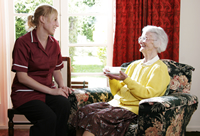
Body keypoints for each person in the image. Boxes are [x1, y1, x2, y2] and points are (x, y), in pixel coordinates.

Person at [71, 25, 171, 136]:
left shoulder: (159, 68)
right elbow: (117, 93)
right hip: (116, 104)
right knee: (83, 112)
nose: (141, 41)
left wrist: (127, 80)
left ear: (157, 43)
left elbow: (149, 94)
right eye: (141, 38)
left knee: (96, 117)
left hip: (133, 109)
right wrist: (112, 78)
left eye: (146, 38)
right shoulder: (134, 65)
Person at [11, 4, 73, 136]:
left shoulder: (54, 43)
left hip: (46, 92)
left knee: (64, 104)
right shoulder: (23, 42)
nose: (57, 24)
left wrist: (62, 86)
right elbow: (22, 77)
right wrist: (52, 91)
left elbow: (56, 70)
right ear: (42, 19)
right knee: (48, 118)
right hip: (25, 94)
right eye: (54, 19)